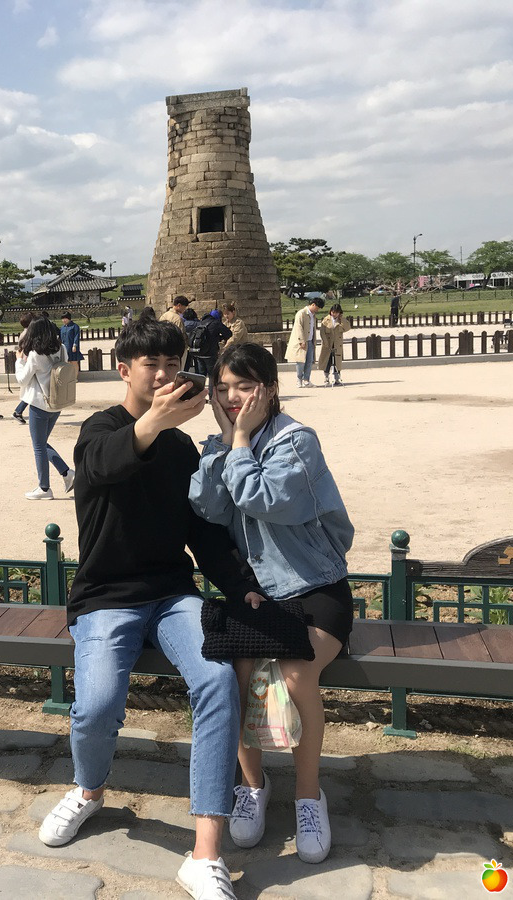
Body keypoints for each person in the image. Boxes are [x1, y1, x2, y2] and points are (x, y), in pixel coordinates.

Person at [39, 307, 264, 900]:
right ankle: (89, 789)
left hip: (171, 594)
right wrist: (155, 421)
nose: (164, 374)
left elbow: (202, 533)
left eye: (173, 362)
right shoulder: (100, 429)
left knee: (218, 681)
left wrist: (240, 584)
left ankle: (205, 853)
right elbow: (101, 465)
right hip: (106, 596)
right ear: (124, 369)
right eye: (151, 363)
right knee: (96, 705)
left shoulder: (180, 448)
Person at [189, 341, 355, 866]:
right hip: (258, 591)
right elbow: (207, 507)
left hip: (316, 586)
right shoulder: (221, 443)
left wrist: (238, 442)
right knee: (235, 673)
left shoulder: (296, 441)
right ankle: (253, 786)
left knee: (296, 674)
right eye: (223, 388)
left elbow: (269, 500)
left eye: (245, 386)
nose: (233, 397)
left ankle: (309, 797)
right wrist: (226, 443)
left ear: (270, 388)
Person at [15, 317, 73, 500]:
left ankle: (44, 488)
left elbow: (22, 380)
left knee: (39, 446)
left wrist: (19, 362)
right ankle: (66, 473)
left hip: (40, 404)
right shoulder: (61, 349)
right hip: (57, 402)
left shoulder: (35, 354)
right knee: (42, 443)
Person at [286, 298, 323, 388]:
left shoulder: (313, 315)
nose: (317, 310)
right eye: (317, 308)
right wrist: (301, 340)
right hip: (302, 341)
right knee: (301, 361)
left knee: (309, 361)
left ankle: (306, 380)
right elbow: (298, 327)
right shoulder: (301, 313)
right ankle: (299, 379)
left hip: (310, 341)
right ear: (313, 304)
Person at [191, 310, 232, 386]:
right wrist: (219, 338)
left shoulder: (201, 322)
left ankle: (200, 392)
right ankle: (212, 392)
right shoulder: (216, 323)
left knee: (201, 376)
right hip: (210, 354)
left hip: (199, 353)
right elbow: (229, 333)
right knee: (213, 376)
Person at [319, 304, 350, 386]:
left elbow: (347, 328)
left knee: (337, 361)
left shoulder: (341, 320)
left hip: (337, 344)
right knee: (327, 361)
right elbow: (322, 332)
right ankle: (326, 378)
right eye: (333, 312)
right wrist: (325, 341)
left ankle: (337, 379)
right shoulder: (326, 319)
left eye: (336, 312)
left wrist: (341, 319)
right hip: (328, 344)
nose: (334, 314)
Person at [13, 312, 34, 424]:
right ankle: (18, 411)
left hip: (26, 360)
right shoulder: (29, 333)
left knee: (31, 389)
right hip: (28, 361)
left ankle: (19, 411)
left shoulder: (24, 333)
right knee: (32, 389)